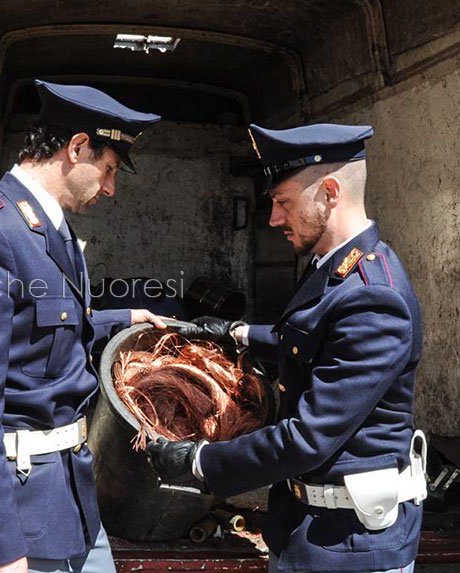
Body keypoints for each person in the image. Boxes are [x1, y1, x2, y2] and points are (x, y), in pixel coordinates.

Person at [147, 123, 426, 573]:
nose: (274, 219)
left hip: (351, 546)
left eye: (283, 203)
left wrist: (200, 460)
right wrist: (234, 333)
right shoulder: (330, 269)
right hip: (302, 527)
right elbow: (305, 340)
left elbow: (308, 437)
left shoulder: (376, 297)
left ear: (330, 192)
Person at [0, 80, 164, 573]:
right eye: (109, 169)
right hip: (19, 515)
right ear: (76, 148)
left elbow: (45, 334)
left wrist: (127, 320)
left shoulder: (50, 232)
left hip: (68, 500)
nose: (112, 188)